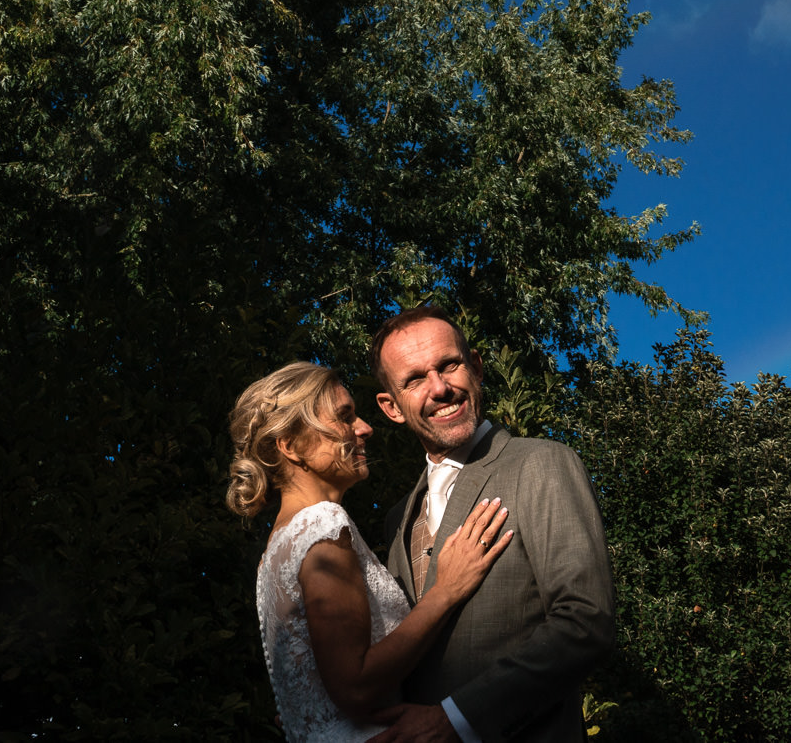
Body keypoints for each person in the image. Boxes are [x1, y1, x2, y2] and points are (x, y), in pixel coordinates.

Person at [227, 362, 515, 742]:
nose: (365, 428)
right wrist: (445, 591)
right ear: (291, 446)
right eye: (345, 417)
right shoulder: (324, 527)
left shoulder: (274, 551)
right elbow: (355, 687)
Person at [366, 306, 616, 743]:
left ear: (477, 368)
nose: (440, 388)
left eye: (450, 365)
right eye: (415, 379)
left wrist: (455, 720)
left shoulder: (541, 463)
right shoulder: (398, 518)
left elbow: (585, 622)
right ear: (391, 407)